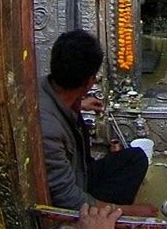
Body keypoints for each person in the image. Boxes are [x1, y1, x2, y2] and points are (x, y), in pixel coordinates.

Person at [39, 29, 157, 216]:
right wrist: (128, 211)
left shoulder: (47, 87)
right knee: (124, 204)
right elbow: (67, 199)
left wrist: (81, 103)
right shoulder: (48, 131)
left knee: (137, 158)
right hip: (75, 193)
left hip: (82, 170)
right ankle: (109, 215)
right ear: (89, 82)